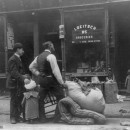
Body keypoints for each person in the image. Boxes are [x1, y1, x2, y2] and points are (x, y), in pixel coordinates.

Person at [29, 41, 65, 123]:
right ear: (50, 46)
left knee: (41, 99)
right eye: (52, 45)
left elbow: (31, 67)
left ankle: (42, 118)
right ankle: (56, 118)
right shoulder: (51, 56)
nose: (53, 47)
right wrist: (61, 83)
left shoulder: (38, 57)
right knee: (61, 97)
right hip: (51, 81)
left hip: (42, 81)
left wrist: (39, 74)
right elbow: (56, 71)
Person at [6, 43, 27, 124]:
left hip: (17, 83)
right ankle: (12, 118)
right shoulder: (13, 59)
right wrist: (23, 78)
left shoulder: (17, 58)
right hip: (13, 83)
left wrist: (24, 76)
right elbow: (14, 72)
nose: (23, 51)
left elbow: (18, 71)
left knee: (18, 99)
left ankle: (17, 116)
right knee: (14, 100)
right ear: (17, 49)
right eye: (21, 49)